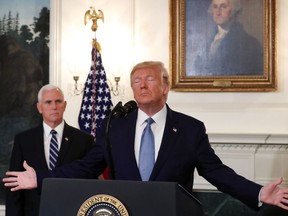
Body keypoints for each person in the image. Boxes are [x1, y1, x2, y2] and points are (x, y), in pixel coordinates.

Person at [3, 61, 288, 212]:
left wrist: (259, 192)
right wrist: (41, 178)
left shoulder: (189, 129)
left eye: (149, 78)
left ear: (166, 87)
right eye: (136, 80)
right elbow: (87, 165)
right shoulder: (116, 126)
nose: (141, 85)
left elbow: (216, 172)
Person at [5, 84, 94, 216]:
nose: (54, 107)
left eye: (58, 101)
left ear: (65, 105)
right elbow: (14, 186)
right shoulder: (23, 140)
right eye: (48, 102)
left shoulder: (84, 140)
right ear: (39, 107)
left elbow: (89, 182)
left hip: (72, 211)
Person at [189, 0, 263, 76]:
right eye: (215, 7)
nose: (218, 12)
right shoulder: (207, 41)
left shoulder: (249, 43)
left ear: (233, 10)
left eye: (223, 7)